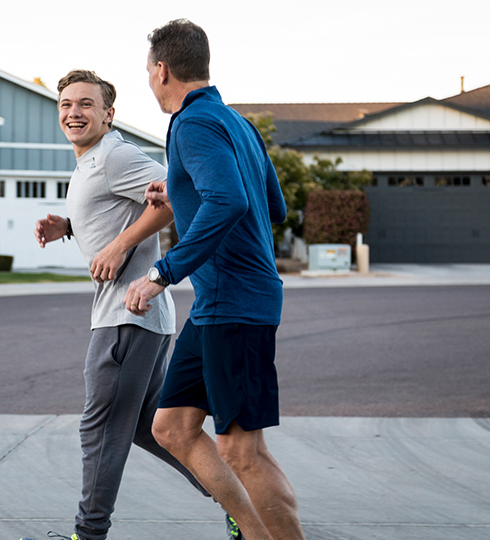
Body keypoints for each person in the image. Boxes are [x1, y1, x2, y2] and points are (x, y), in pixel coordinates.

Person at [123, 19, 306, 540]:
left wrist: (163, 272)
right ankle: (255, 533)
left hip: (235, 304)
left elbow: (230, 200)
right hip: (217, 306)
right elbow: (275, 204)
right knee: (172, 427)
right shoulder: (235, 122)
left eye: (147, 72)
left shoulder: (192, 124)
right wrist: (181, 190)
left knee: (243, 451)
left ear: (161, 70)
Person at [28, 70, 213, 540]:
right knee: (154, 429)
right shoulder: (92, 160)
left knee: (101, 430)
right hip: (136, 317)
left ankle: (88, 535)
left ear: (109, 114)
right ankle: (237, 498)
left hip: (126, 318)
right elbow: (122, 209)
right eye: (67, 104)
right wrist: (68, 226)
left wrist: (118, 247)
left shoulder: (115, 155)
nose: (75, 112)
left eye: (87, 104)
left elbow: (176, 195)